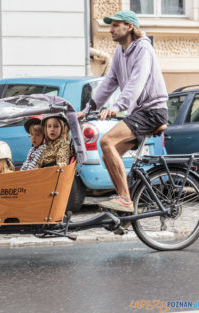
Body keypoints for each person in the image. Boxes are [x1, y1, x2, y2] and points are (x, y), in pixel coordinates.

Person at [77, 10, 168, 212]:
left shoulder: (143, 48)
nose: (110, 29)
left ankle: (125, 199)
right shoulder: (120, 52)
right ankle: (124, 207)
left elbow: (137, 81)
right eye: (110, 25)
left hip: (152, 111)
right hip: (138, 113)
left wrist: (117, 107)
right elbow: (108, 84)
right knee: (111, 153)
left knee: (106, 141)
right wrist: (87, 109)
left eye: (115, 25)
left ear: (129, 27)